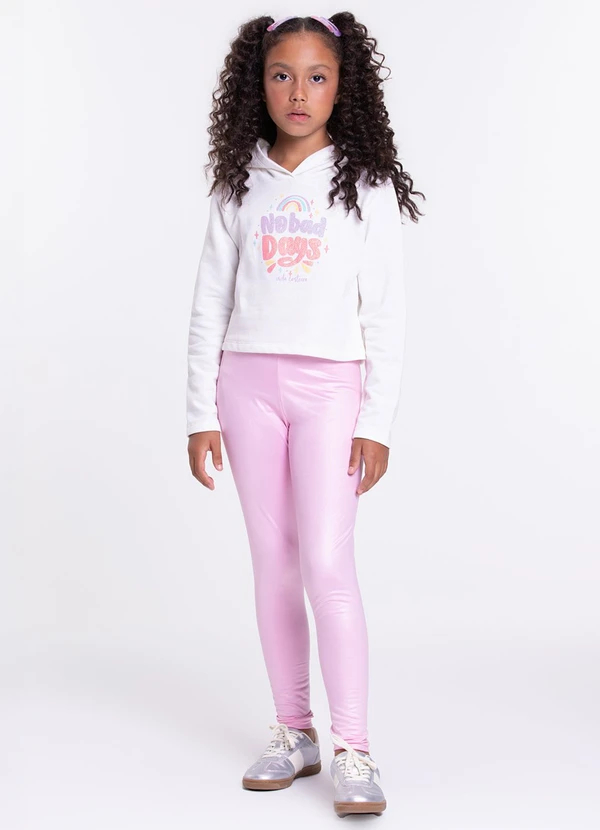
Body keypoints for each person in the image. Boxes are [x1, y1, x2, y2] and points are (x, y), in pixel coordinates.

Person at [186, 12, 425, 817]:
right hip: (246, 387)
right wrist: (199, 411)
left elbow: (386, 312)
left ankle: (354, 745)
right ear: (257, 85)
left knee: (327, 562)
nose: (298, 91)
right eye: (281, 74)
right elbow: (209, 302)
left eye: (317, 76)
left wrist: (377, 423)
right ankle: (295, 730)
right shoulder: (239, 181)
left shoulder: (365, 185)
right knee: (274, 561)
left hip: (332, 391)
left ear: (341, 86)